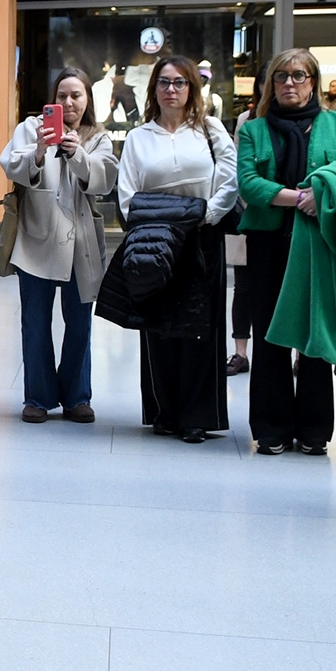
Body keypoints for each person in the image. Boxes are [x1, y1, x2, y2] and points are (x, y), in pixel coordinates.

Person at [235, 48, 336, 455]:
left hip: (321, 244)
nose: (289, 84)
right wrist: (302, 198)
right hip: (269, 245)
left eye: (298, 76)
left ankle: (315, 429)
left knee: (318, 333)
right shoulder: (254, 129)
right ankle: (271, 427)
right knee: (270, 336)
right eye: (281, 76)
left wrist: (323, 197)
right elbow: (248, 183)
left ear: (313, 82)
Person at [116, 54, 239, 442]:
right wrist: (150, 221)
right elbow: (126, 194)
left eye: (180, 83)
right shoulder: (138, 138)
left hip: (202, 238)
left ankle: (197, 416)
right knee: (159, 326)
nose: (172, 89)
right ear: (154, 89)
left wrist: (208, 216)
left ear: (192, 89)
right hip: (155, 241)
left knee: (202, 329)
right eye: (164, 82)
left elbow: (230, 179)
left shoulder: (210, 130)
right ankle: (165, 412)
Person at [0, 66, 117, 423]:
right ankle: (37, 396)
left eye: (76, 95)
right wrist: (38, 150)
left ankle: (77, 396)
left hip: (80, 244)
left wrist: (78, 153)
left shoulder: (98, 137)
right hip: (37, 240)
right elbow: (11, 165)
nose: (69, 102)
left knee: (79, 324)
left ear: (87, 100)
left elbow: (105, 179)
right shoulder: (31, 128)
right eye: (62, 96)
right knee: (35, 323)